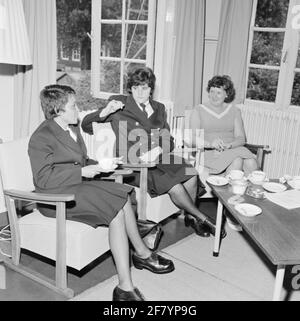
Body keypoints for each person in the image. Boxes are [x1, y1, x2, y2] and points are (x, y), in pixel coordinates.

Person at [28, 84, 175, 302]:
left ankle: (142, 254)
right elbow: (43, 179)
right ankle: (126, 285)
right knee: (116, 209)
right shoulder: (41, 137)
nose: (78, 110)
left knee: (122, 194)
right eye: (73, 106)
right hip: (56, 197)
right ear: (58, 110)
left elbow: (82, 161)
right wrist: (82, 171)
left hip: (75, 186)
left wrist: (105, 164)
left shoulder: (71, 128)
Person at [81, 67, 226, 239]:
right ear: (130, 88)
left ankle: (190, 216)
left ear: (151, 89)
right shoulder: (119, 103)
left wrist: (157, 150)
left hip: (158, 157)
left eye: (144, 87)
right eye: (135, 88)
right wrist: (106, 112)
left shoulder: (159, 108)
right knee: (174, 185)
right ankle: (204, 218)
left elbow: (168, 140)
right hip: (132, 163)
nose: (139, 92)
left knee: (191, 172)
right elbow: (86, 125)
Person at [189, 75, 258, 176]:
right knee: (237, 160)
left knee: (251, 162)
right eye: (212, 91)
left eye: (218, 93)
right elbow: (192, 138)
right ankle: (229, 190)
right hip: (209, 152)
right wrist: (211, 144)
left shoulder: (235, 111)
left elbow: (241, 138)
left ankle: (251, 190)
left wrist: (229, 145)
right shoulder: (198, 110)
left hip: (233, 148)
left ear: (226, 94)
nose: (214, 96)